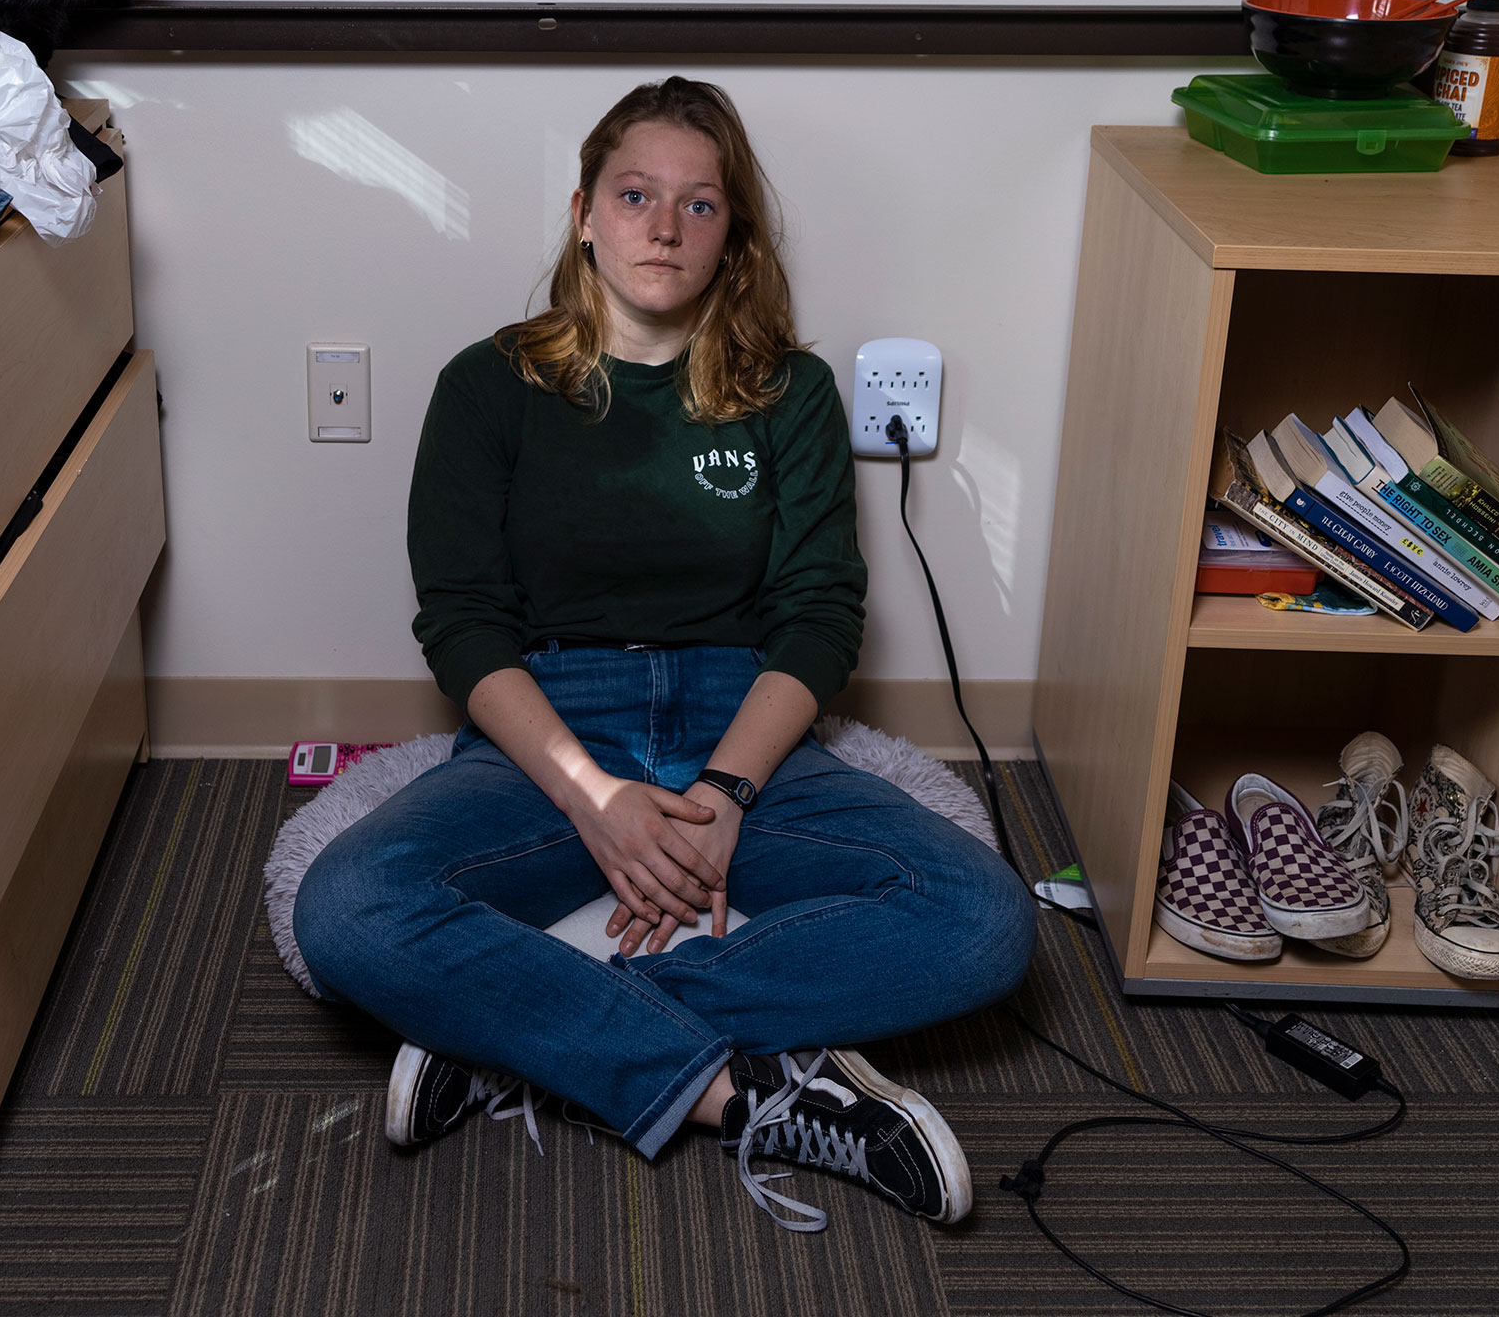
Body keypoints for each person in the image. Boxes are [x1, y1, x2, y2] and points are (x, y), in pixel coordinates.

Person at [294, 77, 1034, 1230]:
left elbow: (819, 615)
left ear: (731, 235)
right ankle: (740, 1095)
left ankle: (529, 1030)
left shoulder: (791, 392)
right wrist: (591, 799)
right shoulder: (486, 385)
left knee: (982, 916)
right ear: (585, 210)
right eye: (636, 195)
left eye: (699, 205)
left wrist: (728, 792)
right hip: (551, 721)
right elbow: (464, 623)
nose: (663, 227)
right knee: (346, 908)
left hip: (737, 723)